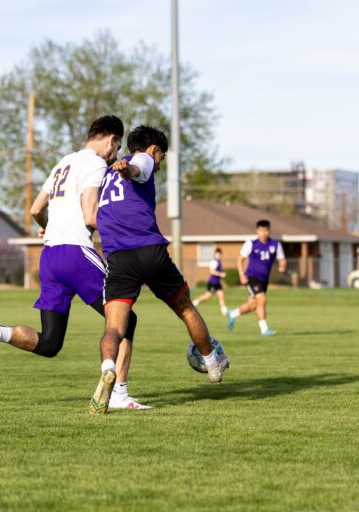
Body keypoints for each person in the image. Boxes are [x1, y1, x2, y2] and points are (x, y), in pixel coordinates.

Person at [0, 116, 150, 410]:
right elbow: (90, 216)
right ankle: (119, 395)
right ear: (112, 140)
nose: (116, 153)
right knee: (127, 319)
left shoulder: (63, 162)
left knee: (50, 343)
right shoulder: (96, 165)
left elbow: (37, 209)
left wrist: (47, 225)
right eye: (116, 146)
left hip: (50, 257)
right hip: (77, 254)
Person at [92, 125, 229, 414]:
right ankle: (213, 362)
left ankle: (108, 371)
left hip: (119, 259)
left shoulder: (103, 178)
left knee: (115, 327)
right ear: (155, 150)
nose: (158, 166)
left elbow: (92, 214)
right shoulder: (141, 159)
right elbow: (139, 166)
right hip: (150, 252)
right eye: (161, 158)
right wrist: (129, 167)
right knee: (185, 307)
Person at [227, 219, 287, 336]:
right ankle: (264, 329)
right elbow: (240, 259)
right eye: (261, 230)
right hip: (251, 277)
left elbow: (282, 259)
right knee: (262, 299)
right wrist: (241, 274)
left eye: (266, 230)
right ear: (257, 231)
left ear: (269, 231)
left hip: (264, 280)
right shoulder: (251, 244)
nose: (263, 233)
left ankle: (233, 314)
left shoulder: (275, 245)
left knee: (253, 305)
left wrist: (282, 266)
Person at [193, 248, 229, 316]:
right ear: (215, 254)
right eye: (217, 254)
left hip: (218, 283)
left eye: (219, 254)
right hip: (212, 282)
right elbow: (212, 271)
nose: (218, 255)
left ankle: (224, 310)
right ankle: (195, 302)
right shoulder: (214, 262)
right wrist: (220, 274)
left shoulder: (219, 261)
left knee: (221, 295)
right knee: (207, 296)